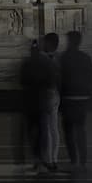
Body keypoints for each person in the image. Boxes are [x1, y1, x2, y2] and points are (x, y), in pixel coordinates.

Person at [18, 39, 59, 174]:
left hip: (31, 103)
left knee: (34, 133)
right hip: (41, 102)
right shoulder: (45, 63)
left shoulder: (27, 63)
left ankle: (38, 159)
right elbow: (51, 81)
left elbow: (22, 81)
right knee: (43, 132)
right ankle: (46, 159)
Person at [58, 30, 92, 169]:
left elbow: (59, 79)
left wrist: (60, 96)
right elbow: (91, 78)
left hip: (68, 98)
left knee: (68, 131)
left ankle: (73, 159)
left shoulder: (64, 57)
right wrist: (89, 94)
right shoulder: (85, 57)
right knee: (80, 129)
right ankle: (83, 159)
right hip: (82, 98)